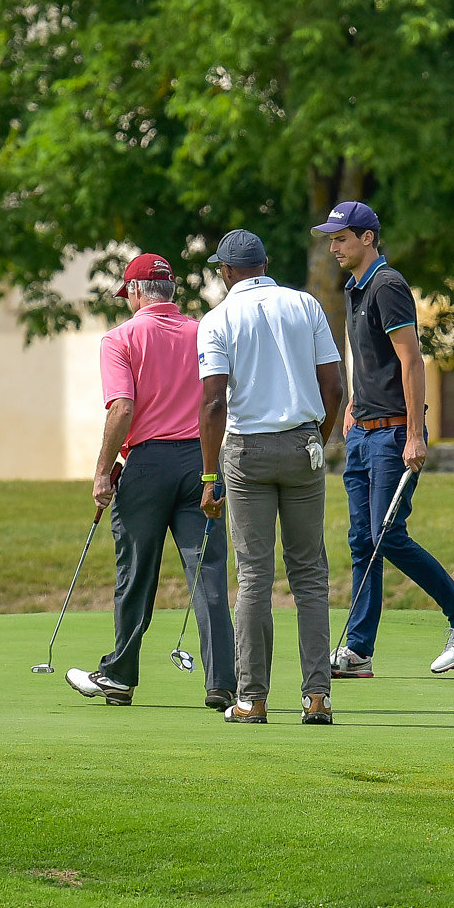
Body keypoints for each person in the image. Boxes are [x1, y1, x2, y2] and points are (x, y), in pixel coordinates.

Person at [315, 201, 454, 679]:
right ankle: (357, 652)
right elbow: (370, 361)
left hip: (395, 434)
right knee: (362, 542)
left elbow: (411, 361)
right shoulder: (355, 289)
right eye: (332, 239)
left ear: (368, 238)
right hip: (363, 433)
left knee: (387, 537)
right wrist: (354, 403)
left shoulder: (388, 285)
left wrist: (415, 434)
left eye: (341, 238)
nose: (334, 246)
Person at [66, 253, 237, 709]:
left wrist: (102, 470)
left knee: (136, 574)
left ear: (137, 292)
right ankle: (222, 683)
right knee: (208, 574)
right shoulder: (205, 331)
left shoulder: (120, 338)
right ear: (172, 290)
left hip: (144, 466)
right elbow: (223, 399)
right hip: (201, 463)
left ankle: (120, 676)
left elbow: (122, 407)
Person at [196, 228, 345, 725]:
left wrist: (208, 476)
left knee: (255, 576)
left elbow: (214, 401)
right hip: (302, 442)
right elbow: (334, 387)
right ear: (265, 263)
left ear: (226, 271)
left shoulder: (217, 319)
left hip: (246, 453)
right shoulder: (305, 306)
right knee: (309, 574)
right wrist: (316, 441)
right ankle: (317, 698)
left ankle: (252, 700)